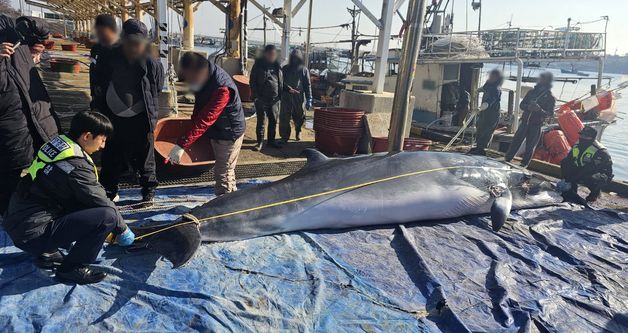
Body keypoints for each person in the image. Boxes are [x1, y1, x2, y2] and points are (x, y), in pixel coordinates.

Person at [2, 111, 135, 285]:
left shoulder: (60, 144)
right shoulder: (76, 165)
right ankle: (71, 269)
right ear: (87, 136)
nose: (103, 146)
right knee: (107, 216)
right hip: (32, 232)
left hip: (18, 220)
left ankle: (46, 251)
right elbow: (100, 200)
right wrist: (123, 230)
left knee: (90, 206)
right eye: (102, 140)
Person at [92, 19, 164, 203]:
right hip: (138, 114)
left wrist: (98, 105)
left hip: (121, 114)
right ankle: (147, 192)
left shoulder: (107, 53)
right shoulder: (152, 59)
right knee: (143, 156)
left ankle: (111, 192)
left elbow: (97, 82)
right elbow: (158, 87)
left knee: (113, 154)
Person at [0, 15, 61, 214]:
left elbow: (42, 31)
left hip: (34, 106)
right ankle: (8, 212)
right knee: (12, 166)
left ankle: (35, 202)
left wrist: (27, 28)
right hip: (9, 113)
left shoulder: (7, 24)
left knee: (45, 157)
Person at [166, 52, 246, 195]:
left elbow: (206, 118)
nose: (189, 81)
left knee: (223, 172)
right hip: (218, 129)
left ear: (200, 71)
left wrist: (182, 144)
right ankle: (231, 195)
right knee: (226, 171)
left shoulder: (222, 88)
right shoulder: (204, 78)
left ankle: (225, 207)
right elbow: (198, 110)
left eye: (191, 77)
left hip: (228, 133)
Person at [505, 72, 556, 167]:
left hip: (536, 124)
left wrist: (539, 110)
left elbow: (550, 113)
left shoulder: (550, 97)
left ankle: (524, 164)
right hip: (525, 122)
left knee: (530, 145)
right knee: (516, 140)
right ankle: (508, 158)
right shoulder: (532, 92)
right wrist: (528, 107)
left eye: (543, 78)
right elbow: (522, 105)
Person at [559, 126, 613, 203]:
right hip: (582, 168)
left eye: (586, 136)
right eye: (581, 135)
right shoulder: (577, 146)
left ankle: (595, 193)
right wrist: (565, 179)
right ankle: (571, 189)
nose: (582, 137)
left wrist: (571, 179)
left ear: (592, 138)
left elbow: (589, 169)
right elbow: (568, 160)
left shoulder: (600, 151)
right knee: (565, 163)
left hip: (600, 173)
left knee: (591, 179)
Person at [250, 44, 283, 151]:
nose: (272, 56)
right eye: (270, 54)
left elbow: (280, 82)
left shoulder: (278, 66)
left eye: (274, 54)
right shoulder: (258, 65)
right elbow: (252, 82)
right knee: (261, 122)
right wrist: (255, 97)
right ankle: (260, 143)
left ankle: (271, 141)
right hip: (261, 99)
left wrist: (287, 89)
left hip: (275, 100)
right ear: (265, 54)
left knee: (273, 121)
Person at [279, 49, 312, 143]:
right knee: (284, 117)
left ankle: (298, 131)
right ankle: (284, 136)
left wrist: (309, 98)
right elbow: (280, 82)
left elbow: (307, 85)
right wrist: (287, 89)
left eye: (297, 58)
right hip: (286, 95)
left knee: (299, 116)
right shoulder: (284, 68)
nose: (295, 60)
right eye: (293, 58)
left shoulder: (304, 70)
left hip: (299, 96)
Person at [470, 69, 503, 156]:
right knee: (479, 127)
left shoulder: (496, 89)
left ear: (497, 78)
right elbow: (483, 88)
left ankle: (482, 149)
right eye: (490, 75)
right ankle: (478, 146)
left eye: (493, 76)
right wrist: (477, 90)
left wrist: (481, 107)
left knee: (486, 131)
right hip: (484, 112)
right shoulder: (489, 84)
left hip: (492, 114)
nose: (490, 77)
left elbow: (490, 101)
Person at [89, 14, 119, 104]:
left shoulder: (120, 47)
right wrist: (94, 88)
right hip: (99, 89)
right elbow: (93, 68)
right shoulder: (97, 47)